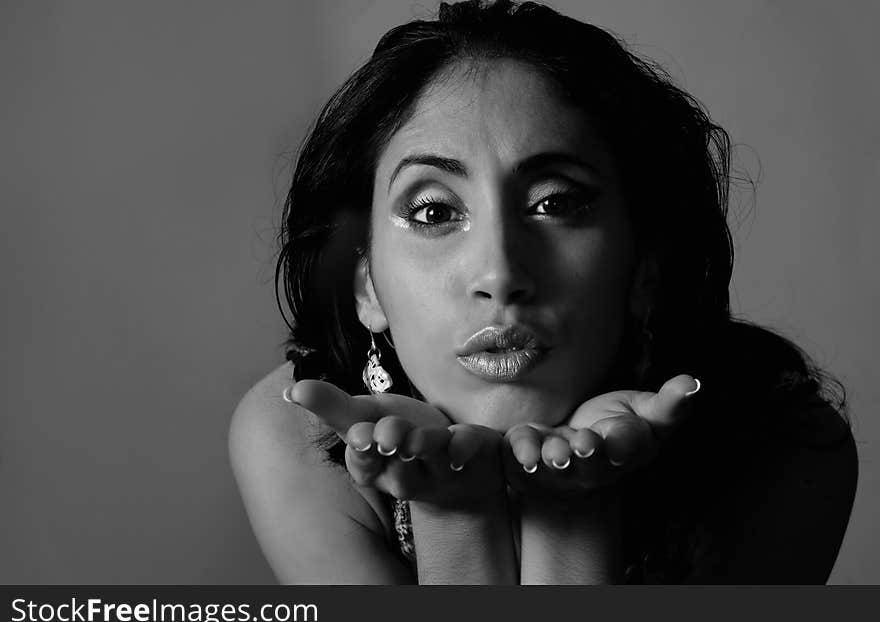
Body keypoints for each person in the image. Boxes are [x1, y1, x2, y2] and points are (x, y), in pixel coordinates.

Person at [228, 0, 857, 584]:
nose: (500, 274)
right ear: (366, 282)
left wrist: (573, 517)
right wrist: (454, 513)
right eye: (432, 213)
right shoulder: (296, 436)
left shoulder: (779, 442)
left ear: (645, 264)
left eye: (555, 203)